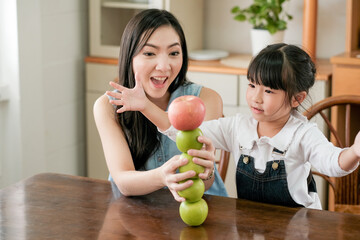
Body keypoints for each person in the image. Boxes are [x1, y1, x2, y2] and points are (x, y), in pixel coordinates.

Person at [116, 43, 360, 209]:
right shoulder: (238, 127)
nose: (255, 97)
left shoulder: (303, 134)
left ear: (297, 98)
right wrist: (145, 106)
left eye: (269, 90)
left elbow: (335, 163)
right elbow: (185, 131)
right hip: (250, 226)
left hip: (299, 228)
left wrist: (355, 151)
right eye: (252, 85)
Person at [93, 9, 227, 202]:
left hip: (201, 210)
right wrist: (162, 176)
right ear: (129, 56)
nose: (164, 66)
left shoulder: (206, 100)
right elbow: (123, 181)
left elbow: (204, 182)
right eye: (149, 53)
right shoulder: (107, 107)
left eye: (174, 53)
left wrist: (206, 171)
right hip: (137, 215)